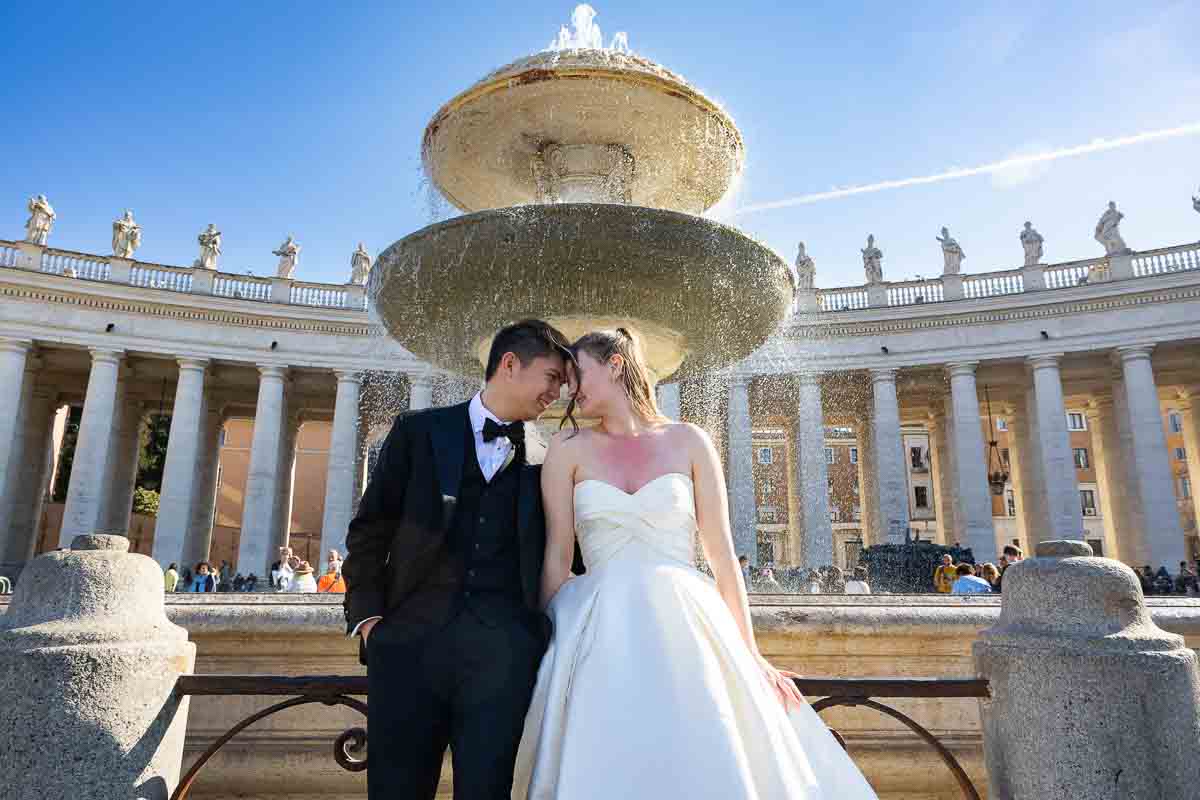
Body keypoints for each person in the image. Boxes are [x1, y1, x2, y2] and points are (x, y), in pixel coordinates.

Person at [515, 328, 878, 798]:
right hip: (595, 621)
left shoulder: (690, 440)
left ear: (616, 366)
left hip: (687, 617)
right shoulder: (565, 447)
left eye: (577, 374)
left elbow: (722, 554)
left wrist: (751, 655)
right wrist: (538, 643)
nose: (569, 389)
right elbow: (558, 556)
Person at [343, 319, 571, 800]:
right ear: (509, 364)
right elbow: (370, 529)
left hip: (504, 659)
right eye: (552, 376)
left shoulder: (550, 458)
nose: (558, 391)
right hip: (406, 650)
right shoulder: (417, 431)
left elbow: (570, 555)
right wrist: (369, 622)